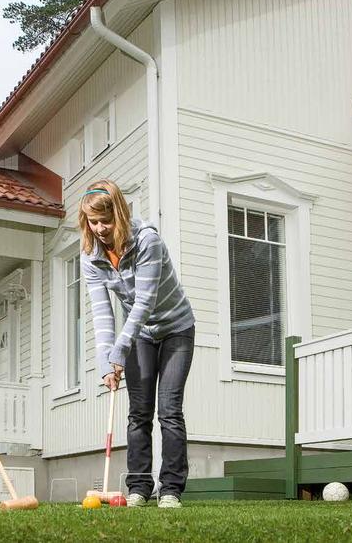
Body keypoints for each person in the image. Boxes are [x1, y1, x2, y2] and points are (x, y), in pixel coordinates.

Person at [79, 179, 196, 508]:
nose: (100, 228)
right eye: (93, 221)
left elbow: (144, 303)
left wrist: (120, 350)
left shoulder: (147, 241)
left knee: (169, 411)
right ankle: (139, 488)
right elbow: (102, 314)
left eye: (106, 220)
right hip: (140, 335)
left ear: (120, 214)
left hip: (176, 328)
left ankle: (170, 489)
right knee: (138, 412)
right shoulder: (90, 257)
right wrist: (106, 360)